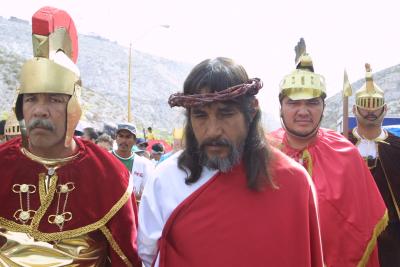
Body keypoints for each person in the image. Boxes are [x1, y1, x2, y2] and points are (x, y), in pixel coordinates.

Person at [138, 57, 324, 267]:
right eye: (200, 115)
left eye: (225, 113)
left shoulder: (293, 183)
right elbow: (148, 256)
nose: (213, 130)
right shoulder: (165, 179)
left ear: (251, 110)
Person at [0, 7, 141, 266]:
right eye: (31, 99)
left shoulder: (108, 175)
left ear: (74, 107)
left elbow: (126, 260)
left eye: (54, 99)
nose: (40, 110)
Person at [271, 39, 387, 267]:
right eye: (293, 103)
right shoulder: (262, 151)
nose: (303, 111)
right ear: (281, 107)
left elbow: (361, 233)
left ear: (323, 107)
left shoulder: (346, 154)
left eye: (313, 103)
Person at [348, 63, 400, 267]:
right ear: (354, 109)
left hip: (393, 236)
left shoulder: (397, 147)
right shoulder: (340, 146)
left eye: (376, 105)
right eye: (365, 104)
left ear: (385, 109)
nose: (370, 110)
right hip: (351, 229)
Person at [112, 123, 153, 201]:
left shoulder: (143, 164)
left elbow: (146, 194)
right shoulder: (106, 157)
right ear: (116, 138)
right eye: (121, 136)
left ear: (135, 141)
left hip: (132, 211)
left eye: (128, 137)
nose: (124, 140)